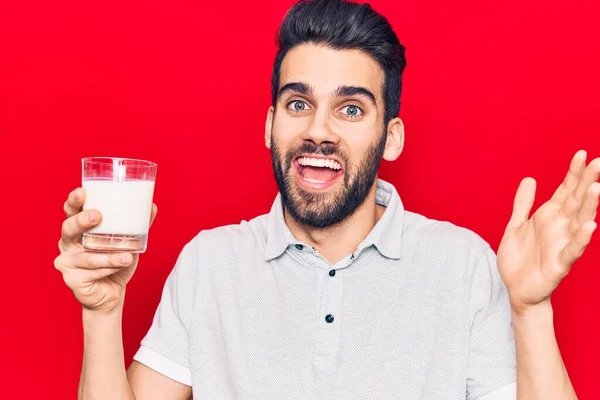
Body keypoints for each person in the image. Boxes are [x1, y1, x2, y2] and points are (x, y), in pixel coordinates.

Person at [54, 0, 600, 399]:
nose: (320, 131)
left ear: (392, 137)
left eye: (352, 109)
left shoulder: (462, 263)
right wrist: (102, 313)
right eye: (297, 104)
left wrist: (531, 310)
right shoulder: (209, 263)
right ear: (270, 125)